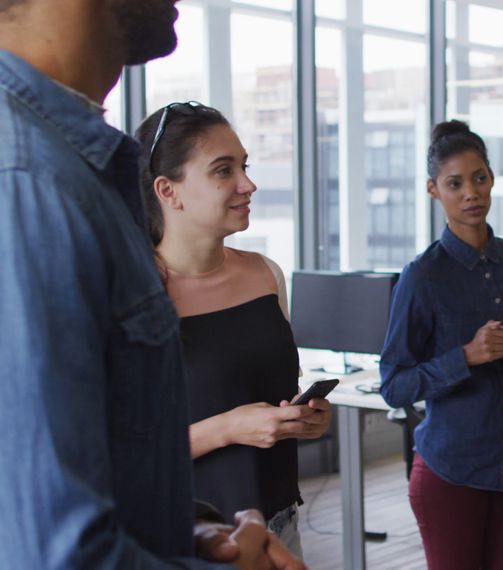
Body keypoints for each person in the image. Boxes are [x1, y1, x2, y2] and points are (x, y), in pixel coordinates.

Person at [0, 1, 302, 567]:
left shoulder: (73, 167)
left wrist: (187, 530)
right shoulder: (27, 181)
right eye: (222, 169)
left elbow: (86, 464)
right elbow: (51, 550)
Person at [136, 101, 333, 559]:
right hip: (190, 541)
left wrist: (302, 420)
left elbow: (273, 392)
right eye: (223, 170)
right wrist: (227, 429)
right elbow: (119, 452)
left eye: (244, 166)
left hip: (279, 525)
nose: (249, 184)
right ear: (169, 190)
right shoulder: (134, 297)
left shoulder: (267, 275)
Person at [379, 120, 503, 570]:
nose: (470, 193)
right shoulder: (422, 277)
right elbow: (394, 385)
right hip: (450, 471)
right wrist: (466, 356)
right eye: (454, 184)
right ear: (433, 190)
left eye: (479, 178)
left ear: (492, 178)